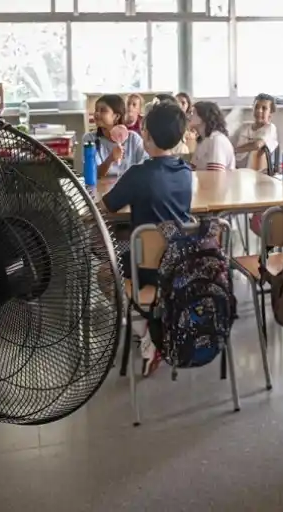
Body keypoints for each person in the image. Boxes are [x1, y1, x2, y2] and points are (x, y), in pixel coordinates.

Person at [101, 102, 193, 377]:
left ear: (147, 136)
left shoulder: (138, 174)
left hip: (146, 268)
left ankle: (146, 330)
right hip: (179, 265)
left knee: (104, 274)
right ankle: (156, 324)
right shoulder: (186, 172)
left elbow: (108, 206)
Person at [82, 94, 147, 178]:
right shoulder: (90, 139)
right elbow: (92, 174)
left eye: (103, 110)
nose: (97, 114)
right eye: (96, 110)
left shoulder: (133, 139)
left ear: (116, 116)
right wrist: (110, 159)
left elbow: (146, 167)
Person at [232, 93, 278, 169]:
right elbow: (231, 143)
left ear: (270, 113)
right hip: (236, 168)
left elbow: (257, 145)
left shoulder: (270, 128)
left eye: (264, 108)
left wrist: (235, 150)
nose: (259, 111)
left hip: (256, 172)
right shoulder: (244, 127)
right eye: (256, 107)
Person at [190, 101, 235, 171]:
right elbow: (192, 170)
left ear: (203, 117)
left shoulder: (216, 140)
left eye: (193, 113)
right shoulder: (203, 140)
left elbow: (215, 175)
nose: (189, 116)